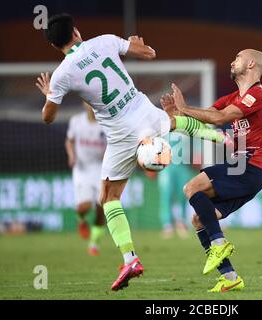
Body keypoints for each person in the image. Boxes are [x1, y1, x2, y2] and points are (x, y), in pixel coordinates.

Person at [36, 13, 229, 291]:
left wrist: (49, 96)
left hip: (120, 133)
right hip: (143, 110)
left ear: (55, 46)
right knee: (174, 122)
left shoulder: (62, 74)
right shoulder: (104, 41)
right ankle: (220, 136)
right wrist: (137, 43)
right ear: (76, 31)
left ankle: (130, 259)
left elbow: (48, 117)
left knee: (108, 198)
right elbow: (148, 53)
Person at [165, 49, 262, 292]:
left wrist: (184, 108)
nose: (232, 61)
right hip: (245, 172)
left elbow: (221, 117)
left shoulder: (259, 95)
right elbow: (205, 120)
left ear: (250, 64)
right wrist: (176, 119)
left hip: (248, 167)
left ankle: (219, 242)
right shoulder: (233, 97)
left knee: (191, 187)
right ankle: (230, 276)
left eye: (237, 57)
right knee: (199, 219)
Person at [65, 101, 107, 256]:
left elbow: (112, 144)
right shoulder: (76, 121)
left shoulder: (106, 123)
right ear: (83, 103)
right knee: (85, 206)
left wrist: (108, 155)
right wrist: (72, 155)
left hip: (100, 169)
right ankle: (81, 219)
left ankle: (94, 244)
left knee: (101, 208)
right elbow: (69, 141)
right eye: (87, 102)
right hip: (82, 169)